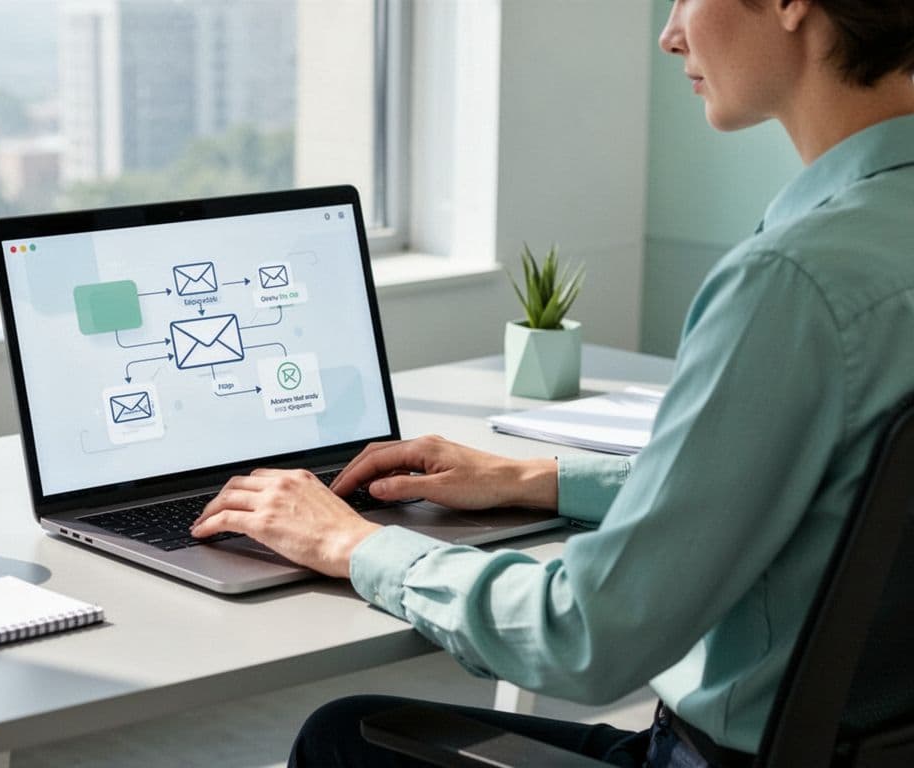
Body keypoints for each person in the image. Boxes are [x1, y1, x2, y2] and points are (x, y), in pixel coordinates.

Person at [190, 0, 914, 765]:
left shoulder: (793, 284)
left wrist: (351, 542)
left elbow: (588, 636)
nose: (669, 35)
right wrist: (534, 478)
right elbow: (796, 481)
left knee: (343, 739)